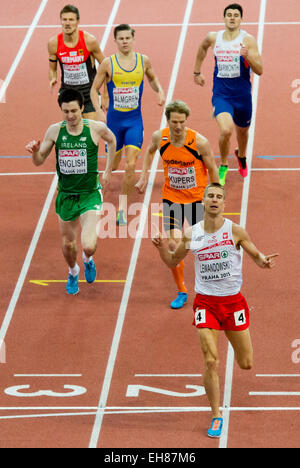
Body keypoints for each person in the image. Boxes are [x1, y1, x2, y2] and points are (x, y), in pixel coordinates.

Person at [152, 182, 278, 438]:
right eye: (210, 195)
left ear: (224, 203)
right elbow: (172, 262)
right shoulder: (192, 234)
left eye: (219, 197)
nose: (214, 200)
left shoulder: (235, 231)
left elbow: (256, 255)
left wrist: (263, 261)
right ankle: (216, 415)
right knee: (210, 360)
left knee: (246, 363)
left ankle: (219, 403)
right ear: (203, 200)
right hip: (206, 304)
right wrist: (161, 248)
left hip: (233, 304)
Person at [26, 89, 116, 295]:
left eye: (74, 110)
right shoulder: (55, 131)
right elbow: (39, 161)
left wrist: (108, 169)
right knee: (68, 245)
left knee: (89, 245)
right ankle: (73, 270)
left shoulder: (96, 128)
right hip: (66, 195)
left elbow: (112, 141)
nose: (70, 116)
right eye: (65, 111)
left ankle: (88, 260)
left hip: (90, 194)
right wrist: (34, 153)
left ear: (82, 108)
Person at [136, 100, 219, 309]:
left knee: (201, 247)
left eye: (182, 122)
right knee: (174, 245)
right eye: (175, 122)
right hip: (171, 199)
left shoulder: (199, 142)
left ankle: (210, 286)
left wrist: (215, 195)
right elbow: (149, 151)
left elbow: (212, 168)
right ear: (168, 120)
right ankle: (181, 289)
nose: (179, 126)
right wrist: (144, 176)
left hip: (196, 200)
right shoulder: (160, 137)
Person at [90, 23, 165, 225]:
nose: (124, 41)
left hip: (134, 122)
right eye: (120, 38)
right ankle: (95, 186)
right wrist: (98, 110)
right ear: (115, 41)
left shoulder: (143, 61)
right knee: (112, 165)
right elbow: (93, 89)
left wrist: (159, 91)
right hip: (114, 124)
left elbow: (153, 79)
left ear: (133, 39)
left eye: (127, 38)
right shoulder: (108, 63)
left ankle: (122, 208)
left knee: (131, 164)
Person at [193, 3, 263, 186]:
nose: (232, 17)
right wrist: (197, 72)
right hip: (221, 94)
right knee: (225, 129)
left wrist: (247, 57)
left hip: (242, 95)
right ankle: (223, 164)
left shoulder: (248, 40)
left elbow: (260, 70)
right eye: (229, 14)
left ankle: (241, 155)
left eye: (236, 15)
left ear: (241, 19)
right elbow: (201, 49)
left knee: (243, 133)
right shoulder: (213, 37)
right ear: (224, 18)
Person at [48, 4, 106, 121]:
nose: (67, 23)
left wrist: (106, 94)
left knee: (90, 131)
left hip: (89, 92)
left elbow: (106, 67)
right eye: (64, 20)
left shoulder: (89, 41)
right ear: (61, 21)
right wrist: (53, 78)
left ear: (78, 21)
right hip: (68, 92)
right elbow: (52, 69)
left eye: (71, 20)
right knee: (73, 131)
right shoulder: (53, 43)